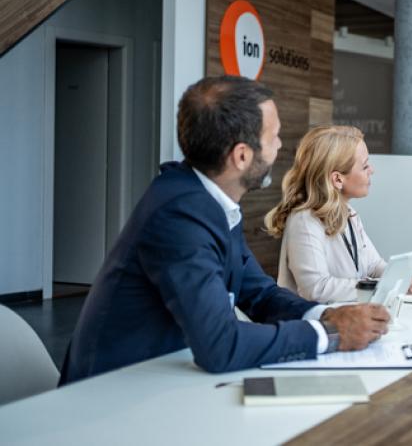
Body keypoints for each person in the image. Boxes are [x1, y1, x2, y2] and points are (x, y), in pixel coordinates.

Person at [60, 76, 389, 385]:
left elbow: (259, 294)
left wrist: (328, 314)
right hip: (113, 392)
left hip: (163, 379)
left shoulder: (208, 199)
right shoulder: (180, 215)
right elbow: (220, 345)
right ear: (242, 156)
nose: (278, 148)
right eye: (273, 137)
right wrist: (329, 334)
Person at [265, 125, 412, 303]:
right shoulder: (304, 220)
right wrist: (382, 286)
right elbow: (317, 289)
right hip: (316, 326)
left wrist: (405, 278)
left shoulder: (349, 213)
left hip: (349, 320)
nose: (371, 170)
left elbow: (374, 265)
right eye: (365, 166)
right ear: (337, 179)